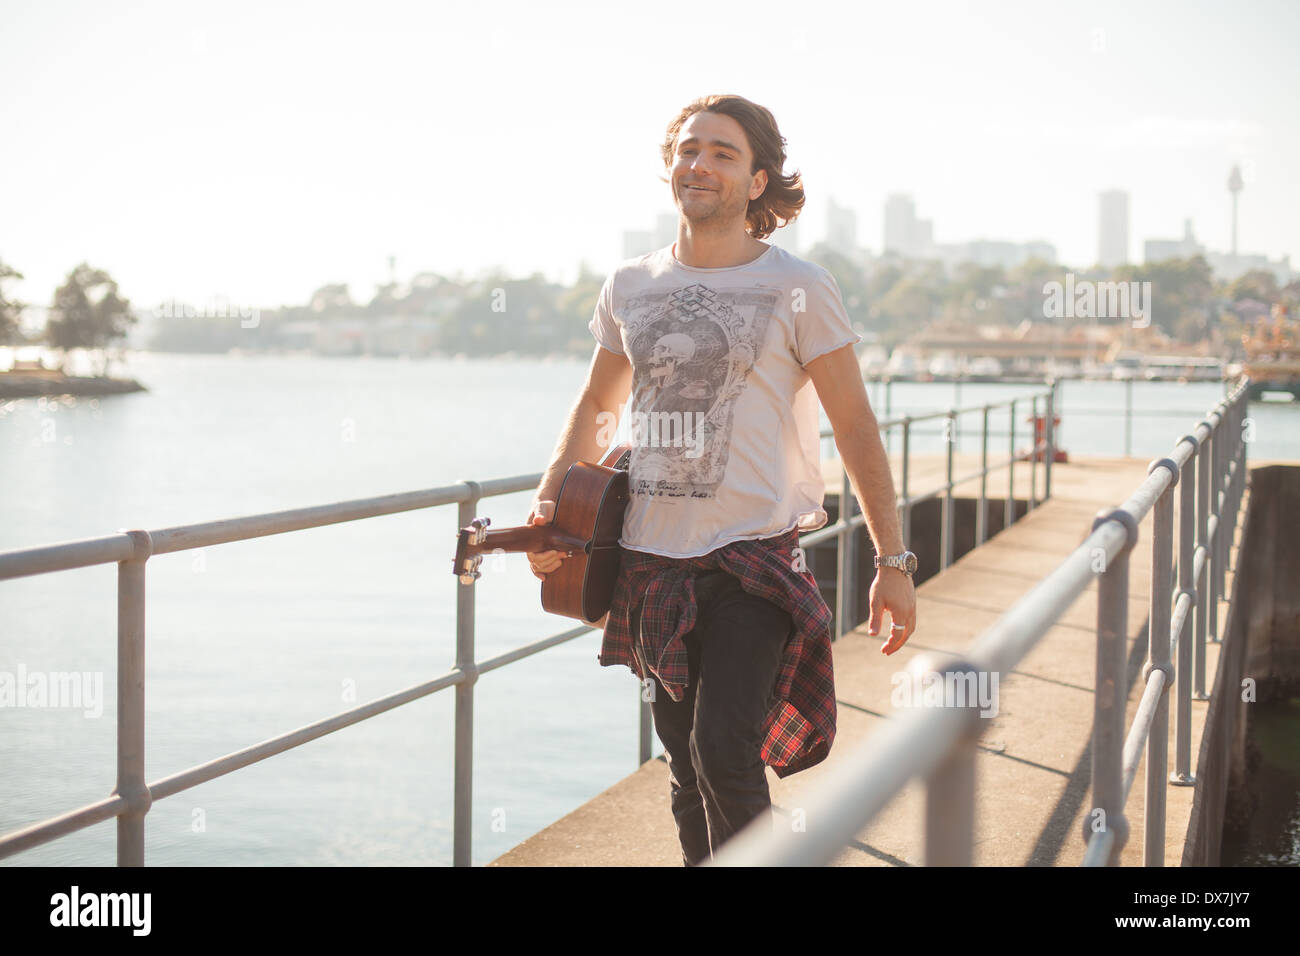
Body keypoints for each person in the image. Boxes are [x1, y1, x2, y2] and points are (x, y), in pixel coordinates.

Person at [525, 94, 917, 866]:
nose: (699, 164)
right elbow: (596, 408)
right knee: (682, 768)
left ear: (759, 180)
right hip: (649, 561)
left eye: (723, 153)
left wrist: (893, 561)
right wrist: (549, 509)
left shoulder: (799, 286)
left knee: (723, 749)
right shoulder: (630, 286)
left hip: (754, 562)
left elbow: (857, 425)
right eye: (689, 149)